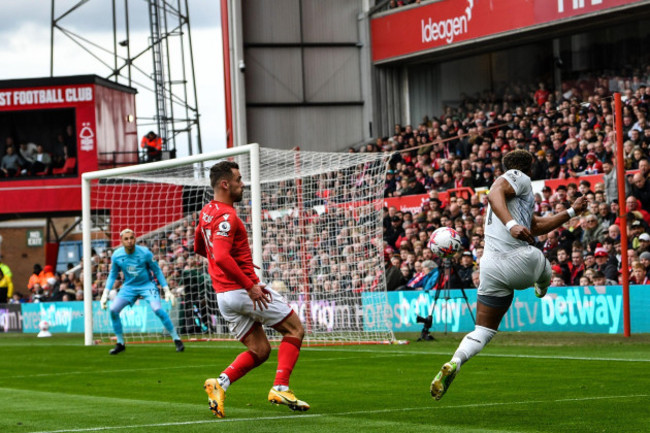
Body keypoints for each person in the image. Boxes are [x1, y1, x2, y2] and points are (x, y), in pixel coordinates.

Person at [430, 149, 586, 400]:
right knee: (544, 265)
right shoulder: (518, 177)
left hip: (490, 268)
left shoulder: (512, 202)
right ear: (529, 167)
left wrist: (571, 212)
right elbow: (494, 192)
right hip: (519, 261)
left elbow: (536, 226)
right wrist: (512, 226)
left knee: (483, 330)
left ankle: (454, 362)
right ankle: (541, 287)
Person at [196, 161, 309, 418]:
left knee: (261, 350)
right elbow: (222, 256)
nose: (242, 183)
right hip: (242, 291)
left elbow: (202, 248)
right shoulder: (227, 216)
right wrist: (249, 284)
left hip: (223, 296)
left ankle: (219, 384)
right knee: (295, 329)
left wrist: (240, 260)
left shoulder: (206, 212)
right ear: (225, 184)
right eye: (238, 179)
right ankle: (281, 387)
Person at [99, 228, 184, 354]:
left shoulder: (145, 253)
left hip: (147, 285)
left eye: (131, 238)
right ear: (122, 241)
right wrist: (105, 294)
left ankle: (177, 339)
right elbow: (112, 275)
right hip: (129, 287)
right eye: (126, 239)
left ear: (135, 239)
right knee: (113, 310)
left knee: (158, 310)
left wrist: (166, 290)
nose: (129, 241)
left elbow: (157, 271)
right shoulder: (117, 255)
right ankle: (120, 343)